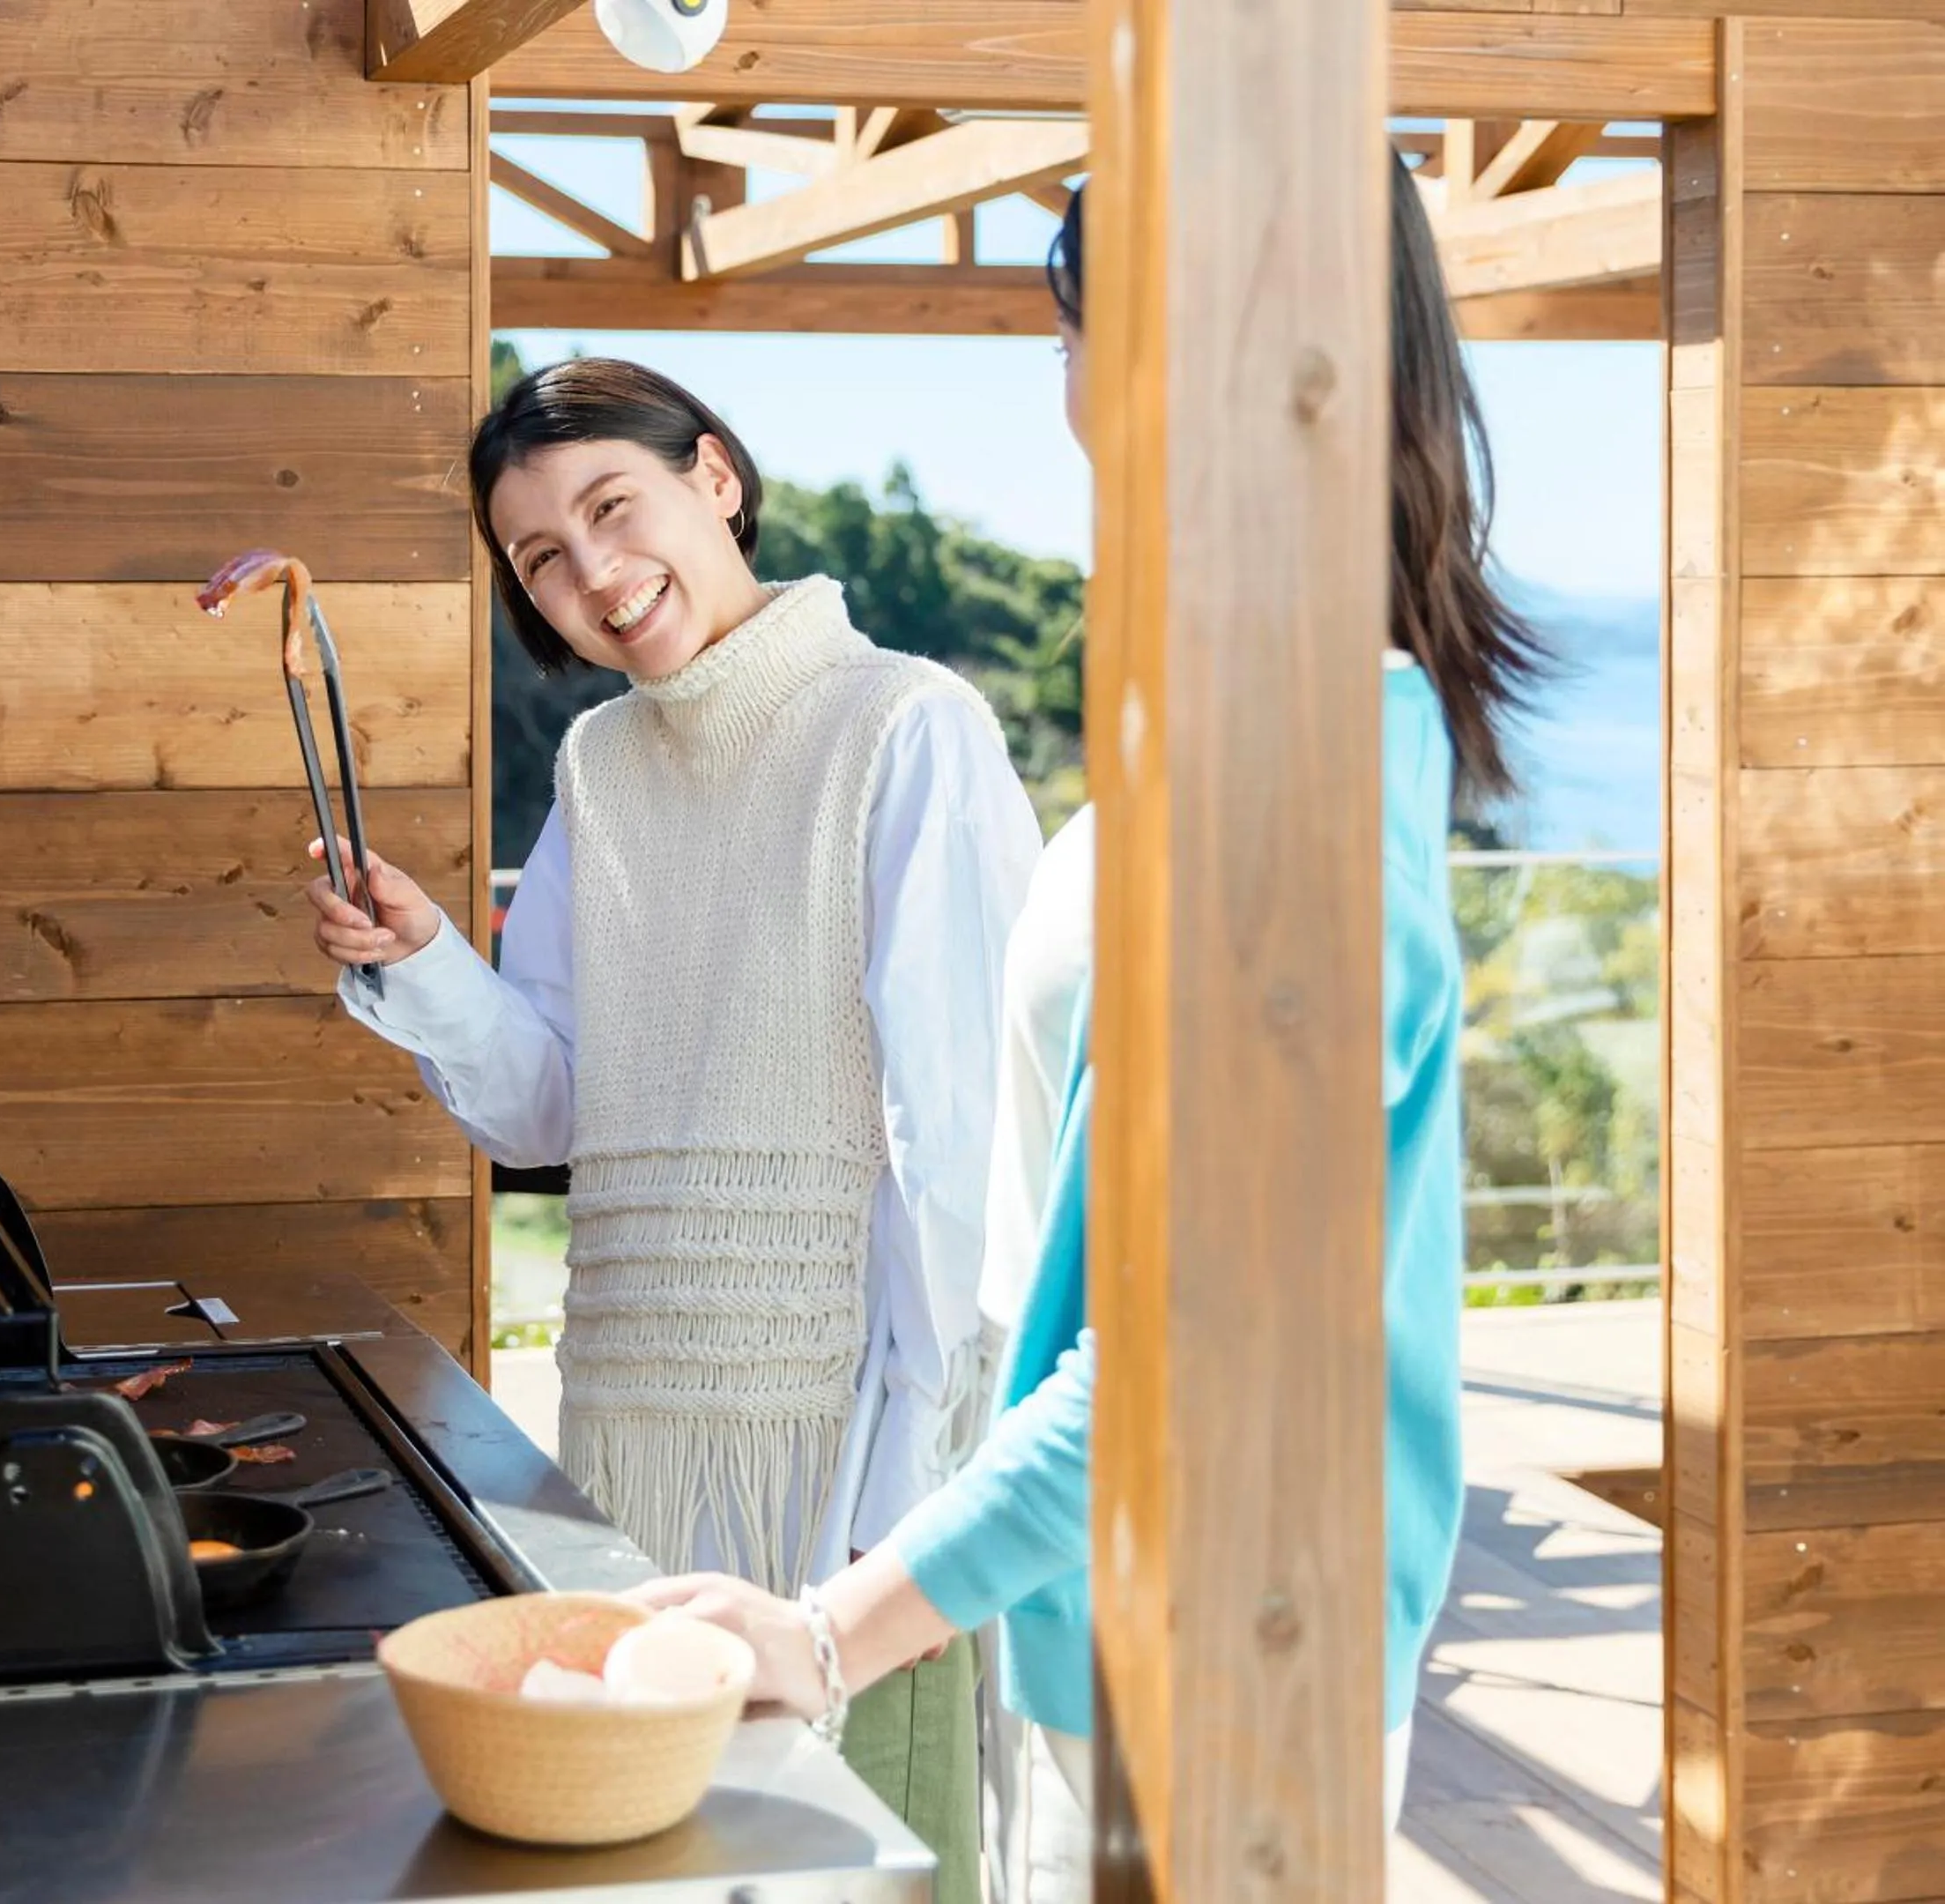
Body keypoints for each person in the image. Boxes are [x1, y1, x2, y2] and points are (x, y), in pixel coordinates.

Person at [632, 155, 1545, 1894]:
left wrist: (826, 1634)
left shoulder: (1300, 781)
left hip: (1212, 1650)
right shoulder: (1279, 716)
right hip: (1110, 1600)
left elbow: (1184, 1357)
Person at [302, 357, 1043, 1900]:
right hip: (631, 1447)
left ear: (714, 477)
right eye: (541, 559)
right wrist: (429, 960)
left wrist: (893, 1526)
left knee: (853, 1873)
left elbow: (961, 1158)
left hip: (842, 1463)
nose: (593, 575)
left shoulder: (909, 728)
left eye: (611, 507)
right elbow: (554, 1105)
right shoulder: (600, 767)